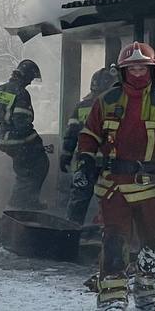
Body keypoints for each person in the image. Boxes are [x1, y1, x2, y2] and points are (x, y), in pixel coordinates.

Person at [74, 40, 155, 311]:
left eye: (142, 68)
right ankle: (112, 298)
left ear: (152, 70)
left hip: (151, 186)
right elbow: (89, 136)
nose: (137, 73)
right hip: (114, 186)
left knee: (153, 242)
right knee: (115, 241)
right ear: (122, 71)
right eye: (131, 69)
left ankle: (148, 294)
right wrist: (83, 162)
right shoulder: (106, 101)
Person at [0, 58, 50, 211]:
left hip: (3, 141)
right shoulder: (21, 93)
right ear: (26, 76)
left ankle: (24, 204)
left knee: (24, 170)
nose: (30, 83)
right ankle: (18, 207)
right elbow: (22, 125)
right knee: (37, 167)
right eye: (31, 79)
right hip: (18, 142)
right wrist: (36, 144)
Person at [59, 65, 118, 225]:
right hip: (109, 162)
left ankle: (71, 231)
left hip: (85, 161)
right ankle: (107, 231)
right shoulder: (117, 106)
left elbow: (71, 134)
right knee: (110, 198)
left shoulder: (82, 106)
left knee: (79, 198)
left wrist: (66, 155)